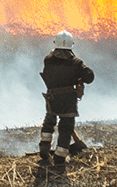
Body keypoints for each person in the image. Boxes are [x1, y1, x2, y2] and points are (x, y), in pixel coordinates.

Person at [38, 30, 94, 162]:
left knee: (49, 122)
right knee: (66, 128)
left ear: (55, 44)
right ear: (71, 45)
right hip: (68, 100)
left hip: (51, 98)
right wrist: (80, 76)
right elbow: (90, 77)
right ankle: (60, 156)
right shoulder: (76, 62)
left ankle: (44, 147)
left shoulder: (48, 59)